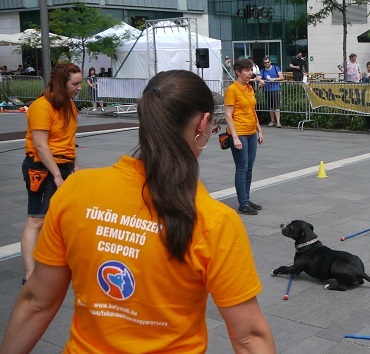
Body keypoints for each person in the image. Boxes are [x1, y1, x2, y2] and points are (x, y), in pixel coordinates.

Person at [0, 70, 276, 353]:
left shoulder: (76, 190)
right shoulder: (214, 220)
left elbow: (36, 302)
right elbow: (248, 338)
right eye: (214, 125)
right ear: (202, 123)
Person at [19, 63, 82, 284]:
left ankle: (56, 263)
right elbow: (41, 145)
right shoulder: (41, 106)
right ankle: (30, 275)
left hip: (63, 166)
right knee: (36, 220)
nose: (79, 87)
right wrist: (56, 175)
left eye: (80, 83)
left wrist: (74, 168)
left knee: (60, 218)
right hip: (42, 168)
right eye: (75, 83)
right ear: (61, 84)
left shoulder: (70, 106)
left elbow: (70, 141)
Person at [225, 57, 265, 216]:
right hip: (239, 132)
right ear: (238, 72)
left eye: (251, 70)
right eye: (247, 71)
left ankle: (246, 199)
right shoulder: (232, 90)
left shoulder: (249, 88)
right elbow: (228, 115)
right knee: (242, 168)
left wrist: (259, 130)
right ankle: (243, 203)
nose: (250, 73)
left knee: (249, 168)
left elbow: (252, 110)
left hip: (251, 132)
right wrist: (234, 137)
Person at [261, 57, 282, 128]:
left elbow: (282, 77)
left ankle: (278, 121)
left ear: (270, 62)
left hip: (275, 89)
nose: (267, 64)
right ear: (263, 64)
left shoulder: (276, 68)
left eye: (268, 62)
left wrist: (274, 79)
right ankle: (272, 121)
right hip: (267, 90)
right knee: (270, 106)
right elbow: (258, 77)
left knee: (276, 106)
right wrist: (260, 80)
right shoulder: (263, 70)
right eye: (265, 63)